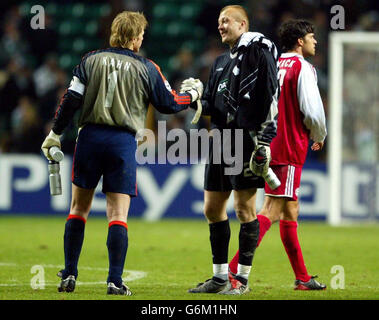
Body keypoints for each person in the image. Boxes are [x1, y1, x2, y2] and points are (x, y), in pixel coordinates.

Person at [41, 11, 202, 296]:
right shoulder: (147, 67)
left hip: (89, 137)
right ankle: (115, 281)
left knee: (78, 208)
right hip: (122, 142)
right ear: (135, 37)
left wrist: (55, 133)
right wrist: (192, 96)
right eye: (141, 35)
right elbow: (168, 104)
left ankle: (69, 274)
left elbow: (71, 100)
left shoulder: (90, 60)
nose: (142, 39)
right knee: (118, 214)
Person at [182, 5, 279, 295]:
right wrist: (195, 97)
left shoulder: (257, 51)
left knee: (244, 208)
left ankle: (242, 280)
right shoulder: (220, 62)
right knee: (212, 209)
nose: (221, 26)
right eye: (219, 22)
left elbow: (271, 92)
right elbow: (211, 105)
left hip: (245, 141)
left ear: (243, 24)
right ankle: (220, 277)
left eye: (226, 21)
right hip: (221, 141)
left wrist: (265, 139)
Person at [228, 19, 327, 290]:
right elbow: (312, 109)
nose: (315, 41)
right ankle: (234, 269)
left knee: (290, 210)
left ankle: (303, 278)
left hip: (268, 142)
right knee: (271, 210)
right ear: (299, 41)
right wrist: (319, 135)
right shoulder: (302, 67)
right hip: (289, 144)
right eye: (311, 36)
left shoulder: (273, 62)